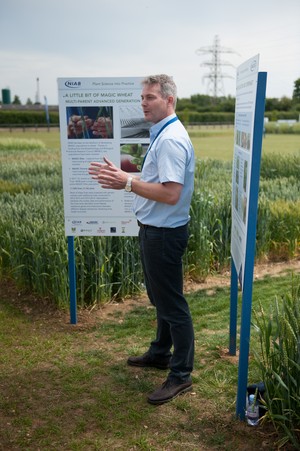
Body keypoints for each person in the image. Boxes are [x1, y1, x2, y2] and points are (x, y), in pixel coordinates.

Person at [88, 74, 195, 405]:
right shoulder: (163, 134)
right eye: (143, 98)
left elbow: (171, 194)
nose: (144, 103)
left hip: (163, 234)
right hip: (155, 231)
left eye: (150, 97)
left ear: (169, 100)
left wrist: (127, 183)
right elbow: (159, 183)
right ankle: (161, 352)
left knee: (172, 305)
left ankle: (180, 375)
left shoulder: (171, 140)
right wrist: (126, 179)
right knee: (160, 298)